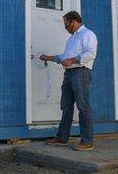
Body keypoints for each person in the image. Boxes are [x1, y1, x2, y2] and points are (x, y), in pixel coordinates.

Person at [40, 11, 97, 151]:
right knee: (66, 106)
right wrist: (49, 58)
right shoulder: (71, 39)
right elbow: (64, 57)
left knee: (83, 107)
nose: (65, 27)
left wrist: (72, 60)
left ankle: (87, 141)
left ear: (74, 22)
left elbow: (90, 54)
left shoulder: (88, 34)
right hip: (69, 74)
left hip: (81, 73)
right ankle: (62, 137)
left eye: (66, 24)